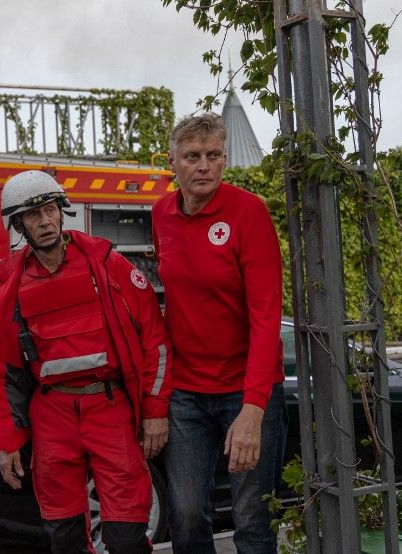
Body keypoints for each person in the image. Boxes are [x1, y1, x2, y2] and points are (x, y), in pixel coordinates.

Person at [0, 169, 172, 554]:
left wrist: (155, 410)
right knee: (63, 535)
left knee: (126, 536)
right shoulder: (12, 292)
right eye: (33, 216)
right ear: (18, 224)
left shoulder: (109, 267)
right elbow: (2, 371)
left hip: (110, 407)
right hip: (53, 416)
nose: (45, 221)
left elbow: (155, 341)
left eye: (50, 210)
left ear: (61, 211)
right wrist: (6, 441)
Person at [152, 113, 286, 554]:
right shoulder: (161, 215)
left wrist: (252, 409)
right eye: (192, 156)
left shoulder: (249, 212)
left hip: (244, 393)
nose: (203, 165)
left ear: (225, 160)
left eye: (213, 155)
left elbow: (267, 316)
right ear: (174, 163)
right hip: (186, 394)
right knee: (187, 518)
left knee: (251, 522)